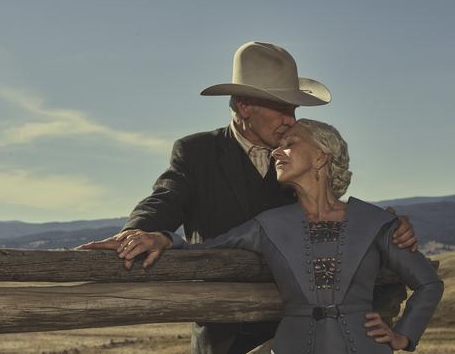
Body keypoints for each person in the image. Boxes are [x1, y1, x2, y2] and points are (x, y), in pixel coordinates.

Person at [79, 41, 419, 354]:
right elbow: (166, 198)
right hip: (224, 330)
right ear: (244, 105)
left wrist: (387, 227)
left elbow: (331, 213)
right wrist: (140, 231)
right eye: (281, 109)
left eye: (294, 110)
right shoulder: (197, 152)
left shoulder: (298, 157)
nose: (291, 120)